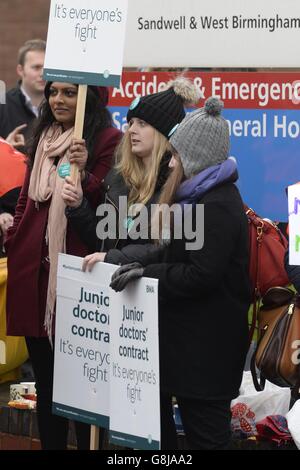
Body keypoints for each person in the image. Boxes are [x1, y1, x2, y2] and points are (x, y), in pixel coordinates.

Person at [106, 97, 251, 449]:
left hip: (207, 355)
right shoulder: (200, 198)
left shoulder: (215, 204)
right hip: (192, 352)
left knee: (207, 439)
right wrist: (140, 264)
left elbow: (201, 274)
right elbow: (175, 254)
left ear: (196, 157)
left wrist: (148, 274)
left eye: (177, 154)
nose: (171, 162)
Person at [5, 81, 121, 450]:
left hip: (76, 280)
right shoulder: (45, 137)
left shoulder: (107, 141)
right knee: (47, 385)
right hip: (34, 279)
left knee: (85, 388)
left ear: (91, 97)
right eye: (54, 91)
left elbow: (110, 210)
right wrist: (16, 238)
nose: (58, 99)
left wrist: (85, 174)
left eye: (70, 93)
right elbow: (26, 198)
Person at [62, 77, 200, 265]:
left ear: (164, 134)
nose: (131, 130)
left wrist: (114, 258)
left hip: (154, 291)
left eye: (142, 124)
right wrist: (79, 206)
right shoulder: (118, 177)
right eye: (131, 122)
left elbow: (166, 250)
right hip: (113, 289)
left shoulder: (180, 185)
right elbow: (102, 242)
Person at [0, 39, 46, 144]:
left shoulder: (59, 106)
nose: (43, 73)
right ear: (20, 70)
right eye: (36, 67)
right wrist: (6, 149)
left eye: (47, 68)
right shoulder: (2, 106)